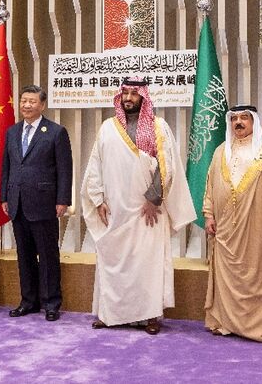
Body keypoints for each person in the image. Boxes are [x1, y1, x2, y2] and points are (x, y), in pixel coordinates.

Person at [80, 78, 196, 334]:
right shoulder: (108, 128)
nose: (129, 98)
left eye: (134, 93)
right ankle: (110, 314)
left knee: (147, 266)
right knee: (113, 262)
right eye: (125, 93)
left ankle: (151, 316)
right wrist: (97, 200)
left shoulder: (157, 127)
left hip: (147, 212)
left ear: (144, 98)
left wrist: (153, 199)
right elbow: (95, 167)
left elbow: (167, 165)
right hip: (115, 210)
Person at [203, 104, 262, 343]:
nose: (238, 123)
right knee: (227, 276)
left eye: (244, 118)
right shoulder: (221, 151)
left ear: (254, 121)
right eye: (234, 119)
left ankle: (260, 326)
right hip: (225, 229)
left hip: (258, 231)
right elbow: (210, 187)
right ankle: (227, 322)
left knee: (259, 274)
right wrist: (209, 214)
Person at [1, 85, 73, 322]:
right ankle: (28, 301)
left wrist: (62, 199)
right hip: (17, 203)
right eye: (23, 101)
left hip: (44, 203)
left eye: (32, 101)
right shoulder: (12, 132)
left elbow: (65, 169)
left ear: (42, 105)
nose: (26, 105)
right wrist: (4, 196)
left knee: (48, 255)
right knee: (24, 256)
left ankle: (51, 303)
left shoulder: (55, 132)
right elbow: (7, 168)